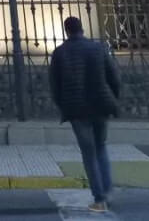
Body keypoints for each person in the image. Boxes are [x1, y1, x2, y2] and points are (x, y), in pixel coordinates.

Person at [49, 16, 121, 214]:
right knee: (101, 147)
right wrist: (112, 98)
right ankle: (107, 190)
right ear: (82, 29)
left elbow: (55, 87)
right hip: (100, 105)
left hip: (77, 109)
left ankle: (99, 198)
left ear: (67, 31)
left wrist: (63, 106)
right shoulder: (97, 48)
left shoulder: (60, 53)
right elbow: (114, 77)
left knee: (88, 154)